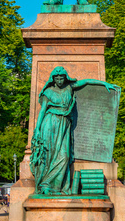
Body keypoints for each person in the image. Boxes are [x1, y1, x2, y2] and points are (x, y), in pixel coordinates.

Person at [29, 66, 118, 195]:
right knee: (49, 155)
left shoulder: (69, 88)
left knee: (64, 156)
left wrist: (104, 84)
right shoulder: (48, 92)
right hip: (50, 124)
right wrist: (37, 130)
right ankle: (46, 185)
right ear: (53, 79)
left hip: (64, 124)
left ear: (66, 78)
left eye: (62, 77)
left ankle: (55, 186)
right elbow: (42, 111)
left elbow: (86, 82)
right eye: (57, 78)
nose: (59, 80)